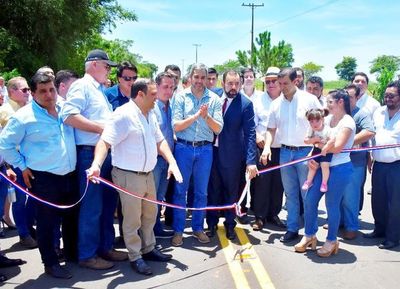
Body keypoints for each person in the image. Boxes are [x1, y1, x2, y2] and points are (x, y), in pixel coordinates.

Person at [87, 78, 182, 275]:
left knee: (150, 215)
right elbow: (105, 142)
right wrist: (96, 164)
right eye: (153, 94)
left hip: (147, 175)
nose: (157, 98)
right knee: (132, 220)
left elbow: (160, 140)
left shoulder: (150, 114)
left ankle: (148, 249)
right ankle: (135, 256)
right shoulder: (123, 115)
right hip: (128, 176)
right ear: (140, 94)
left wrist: (172, 162)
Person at [0, 72, 79, 278]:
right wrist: (21, 166)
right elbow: (4, 145)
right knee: (47, 223)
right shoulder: (23, 117)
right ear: (33, 93)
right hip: (43, 178)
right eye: (42, 91)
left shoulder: (65, 109)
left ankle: (71, 254)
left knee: (71, 217)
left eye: (52, 89)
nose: (49, 94)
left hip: (69, 174)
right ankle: (50, 263)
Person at [61, 49, 128, 270]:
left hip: (105, 151)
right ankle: (87, 254)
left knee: (107, 205)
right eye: (107, 66)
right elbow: (69, 116)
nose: (109, 70)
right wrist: (102, 128)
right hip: (90, 153)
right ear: (95, 65)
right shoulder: (82, 85)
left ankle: (105, 247)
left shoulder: (99, 89)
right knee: (92, 206)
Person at [260, 68, 321, 243]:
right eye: (280, 83)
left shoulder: (310, 100)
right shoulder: (276, 104)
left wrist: (314, 150)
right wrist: (267, 147)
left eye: (285, 83)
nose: (282, 87)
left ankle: (310, 233)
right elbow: (271, 129)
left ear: (296, 81)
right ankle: (292, 228)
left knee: (307, 194)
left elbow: (320, 127)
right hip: (285, 153)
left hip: (305, 152)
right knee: (290, 194)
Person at [295, 89, 355, 257]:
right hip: (321, 166)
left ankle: (331, 240)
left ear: (340, 102)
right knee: (309, 199)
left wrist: (317, 146)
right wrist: (311, 157)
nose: (325, 105)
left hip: (340, 168)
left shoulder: (347, 122)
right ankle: (309, 235)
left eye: (329, 102)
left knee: (332, 205)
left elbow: (336, 148)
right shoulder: (327, 119)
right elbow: (315, 141)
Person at [171, 63, 223, 246]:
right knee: (180, 191)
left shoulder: (214, 99)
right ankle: (178, 230)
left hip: (205, 150)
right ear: (190, 77)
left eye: (203, 77)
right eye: (197, 77)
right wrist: (195, 116)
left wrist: (206, 116)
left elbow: (218, 128)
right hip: (183, 149)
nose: (200, 81)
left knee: (201, 192)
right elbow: (176, 126)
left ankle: (198, 228)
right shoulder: (180, 97)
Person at [206, 70, 257, 240]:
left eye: (236, 84)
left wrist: (251, 161)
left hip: (232, 156)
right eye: (230, 83)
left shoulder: (246, 104)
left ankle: (229, 225)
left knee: (231, 192)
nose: (233, 87)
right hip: (211, 153)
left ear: (241, 84)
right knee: (212, 190)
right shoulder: (213, 97)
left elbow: (250, 134)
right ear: (223, 83)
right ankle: (211, 224)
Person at [0, 76, 36, 249]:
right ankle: (24, 233)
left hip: (30, 161)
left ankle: (28, 229)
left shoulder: (27, 109)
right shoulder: (7, 111)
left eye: (29, 89)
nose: (28, 93)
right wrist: (9, 166)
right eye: (24, 90)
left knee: (34, 198)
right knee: (20, 199)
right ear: (12, 91)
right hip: (15, 163)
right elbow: (6, 143)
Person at [364, 81, 400, 250]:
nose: (387, 98)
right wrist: (370, 157)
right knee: (378, 200)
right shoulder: (378, 112)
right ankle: (379, 230)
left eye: (391, 95)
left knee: (395, 204)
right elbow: (372, 136)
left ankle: (392, 238)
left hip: (396, 166)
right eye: (386, 95)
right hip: (379, 163)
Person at [251, 66, 285, 231]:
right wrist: (258, 137)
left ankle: (273, 214)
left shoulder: (286, 99)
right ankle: (260, 216)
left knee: (279, 184)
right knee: (262, 183)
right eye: (268, 81)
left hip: (281, 148)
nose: (271, 84)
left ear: (280, 82)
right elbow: (252, 124)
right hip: (263, 147)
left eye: (274, 81)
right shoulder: (257, 100)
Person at [339, 84, 375, 240]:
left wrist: (347, 141)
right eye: (344, 96)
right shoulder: (339, 113)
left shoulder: (361, 114)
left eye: (350, 97)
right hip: (338, 161)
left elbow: (369, 131)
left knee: (350, 196)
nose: (347, 100)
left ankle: (351, 227)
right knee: (338, 195)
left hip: (355, 162)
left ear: (358, 97)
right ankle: (340, 222)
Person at [152, 72, 176, 238]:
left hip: (166, 161)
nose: (169, 91)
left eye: (172, 87)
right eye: (165, 87)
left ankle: (155, 229)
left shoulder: (169, 107)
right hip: (155, 160)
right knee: (151, 199)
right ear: (157, 86)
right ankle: (149, 233)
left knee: (159, 197)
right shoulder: (152, 107)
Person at [301, 108, 334, 193]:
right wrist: (314, 139)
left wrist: (326, 147)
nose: (314, 124)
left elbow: (332, 140)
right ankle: (308, 181)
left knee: (324, 165)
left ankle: (324, 183)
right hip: (316, 149)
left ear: (322, 119)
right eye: (311, 122)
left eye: (317, 121)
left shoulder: (327, 129)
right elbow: (306, 140)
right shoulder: (311, 129)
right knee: (312, 166)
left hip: (326, 150)